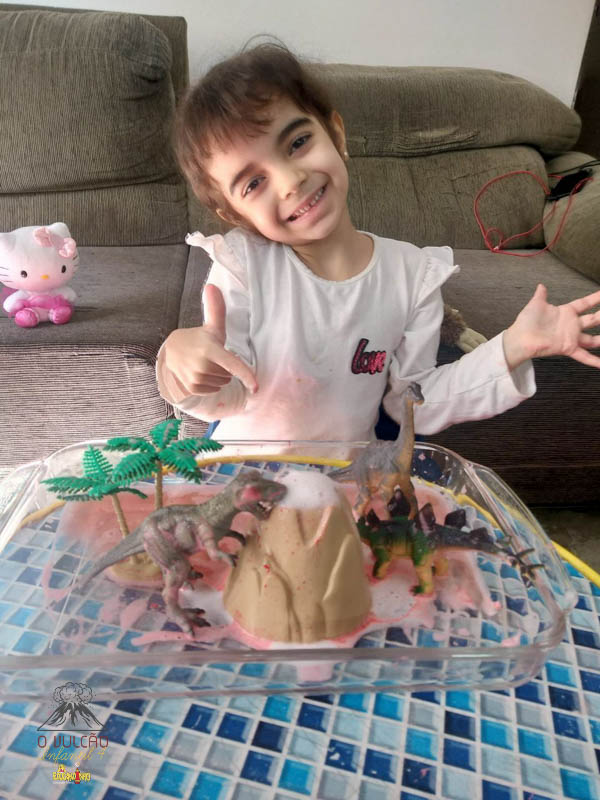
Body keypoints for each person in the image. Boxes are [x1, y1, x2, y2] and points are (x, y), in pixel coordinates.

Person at [156, 43, 600, 443]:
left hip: (346, 482)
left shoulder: (411, 275)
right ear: (235, 214)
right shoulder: (242, 265)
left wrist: (514, 346)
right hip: (243, 477)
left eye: (297, 142)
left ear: (337, 135)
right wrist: (179, 365)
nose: (290, 181)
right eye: (254, 183)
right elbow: (228, 394)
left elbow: (414, 403)